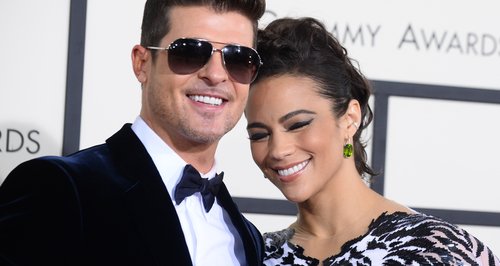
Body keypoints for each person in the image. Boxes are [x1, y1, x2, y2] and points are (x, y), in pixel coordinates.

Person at [0, 0, 266, 265]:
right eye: (190, 53)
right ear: (142, 64)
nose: (216, 75)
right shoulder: (60, 189)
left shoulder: (248, 237)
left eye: (239, 59)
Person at [245, 17, 500, 265]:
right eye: (259, 134)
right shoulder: (256, 256)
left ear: (349, 119)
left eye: (298, 124)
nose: (278, 150)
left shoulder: (436, 249)